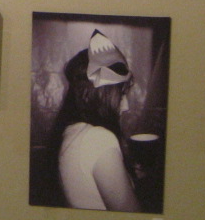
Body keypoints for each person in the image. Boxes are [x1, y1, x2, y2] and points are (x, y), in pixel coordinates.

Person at [54, 30, 142, 212]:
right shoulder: (98, 138)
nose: (126, 106)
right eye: (121, 94)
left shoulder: (72, 130)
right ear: (98, 95)